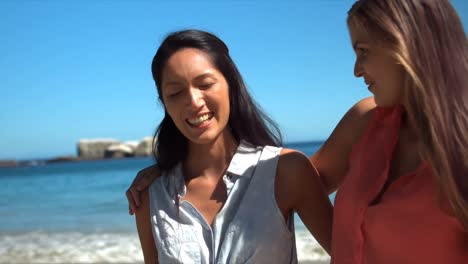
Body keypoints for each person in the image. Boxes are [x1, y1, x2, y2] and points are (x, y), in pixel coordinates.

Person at [128, 0, 468, 263]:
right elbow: (281, 180)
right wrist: (166, 172)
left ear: (406, 44)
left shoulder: (459, 149)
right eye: (174, 93)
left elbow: (284, 178)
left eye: (363, 52)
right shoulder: (366, 122)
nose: (355, 69)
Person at [132, 29, 332, 263]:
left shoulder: (285, 171)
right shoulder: (151, 195)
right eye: (176, 93)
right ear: (164, 103)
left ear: (231, 84)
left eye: (205, 84)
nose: (194, 102)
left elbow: (352, 254)